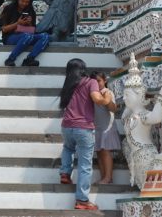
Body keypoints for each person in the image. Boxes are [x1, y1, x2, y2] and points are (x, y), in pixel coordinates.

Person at [58, 59, 114, 211]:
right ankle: (82, 200)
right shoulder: (90, 82)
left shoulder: (68, 83)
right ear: (83, 69)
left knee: (68, 148)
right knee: (85, 165)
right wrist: (107, 97)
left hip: (66, 126)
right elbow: (97, 99)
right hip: (83, 127)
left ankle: (65, 173)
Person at [0, 0, 50, 67]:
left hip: (25, 36)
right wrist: (17, 24)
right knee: (27, 36)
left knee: (45, 36)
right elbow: (4, 29)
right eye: (22, 1)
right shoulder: (9, 9)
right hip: (9, 37)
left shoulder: (30, 11)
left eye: (27, 2)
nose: (24, 4)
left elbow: (32, 31)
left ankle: (29, 59)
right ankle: (10, 59)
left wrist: (28, 24)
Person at [89, 71, 120, 184]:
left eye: (99, 81)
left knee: (106, 152)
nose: (97, 84)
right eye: (94, 82)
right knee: (99, 152)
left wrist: (106, 100)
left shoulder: (108, 92)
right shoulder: (93, 94)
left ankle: (108, 177)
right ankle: (104, 177)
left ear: (105, 81)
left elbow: (113, 108)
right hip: (97, 127)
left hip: (107, 127)